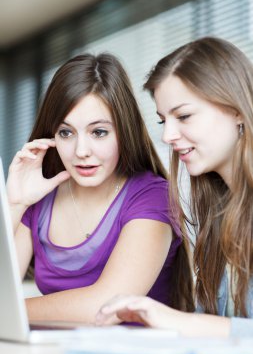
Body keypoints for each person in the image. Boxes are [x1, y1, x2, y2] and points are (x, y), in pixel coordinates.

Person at [6, 53, 192, 324]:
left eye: (99, 132)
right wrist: (15, 204)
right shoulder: (39, 199)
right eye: (66, 133)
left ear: (123, 131)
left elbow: (107, 306)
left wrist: (11, 310)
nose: (81, 151)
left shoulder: (152, 196)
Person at [96, 37, 253, 337]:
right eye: (162, 121)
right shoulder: (218, 210)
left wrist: (178, 320)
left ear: (236, 110)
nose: (168, 135)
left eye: (183, 116)